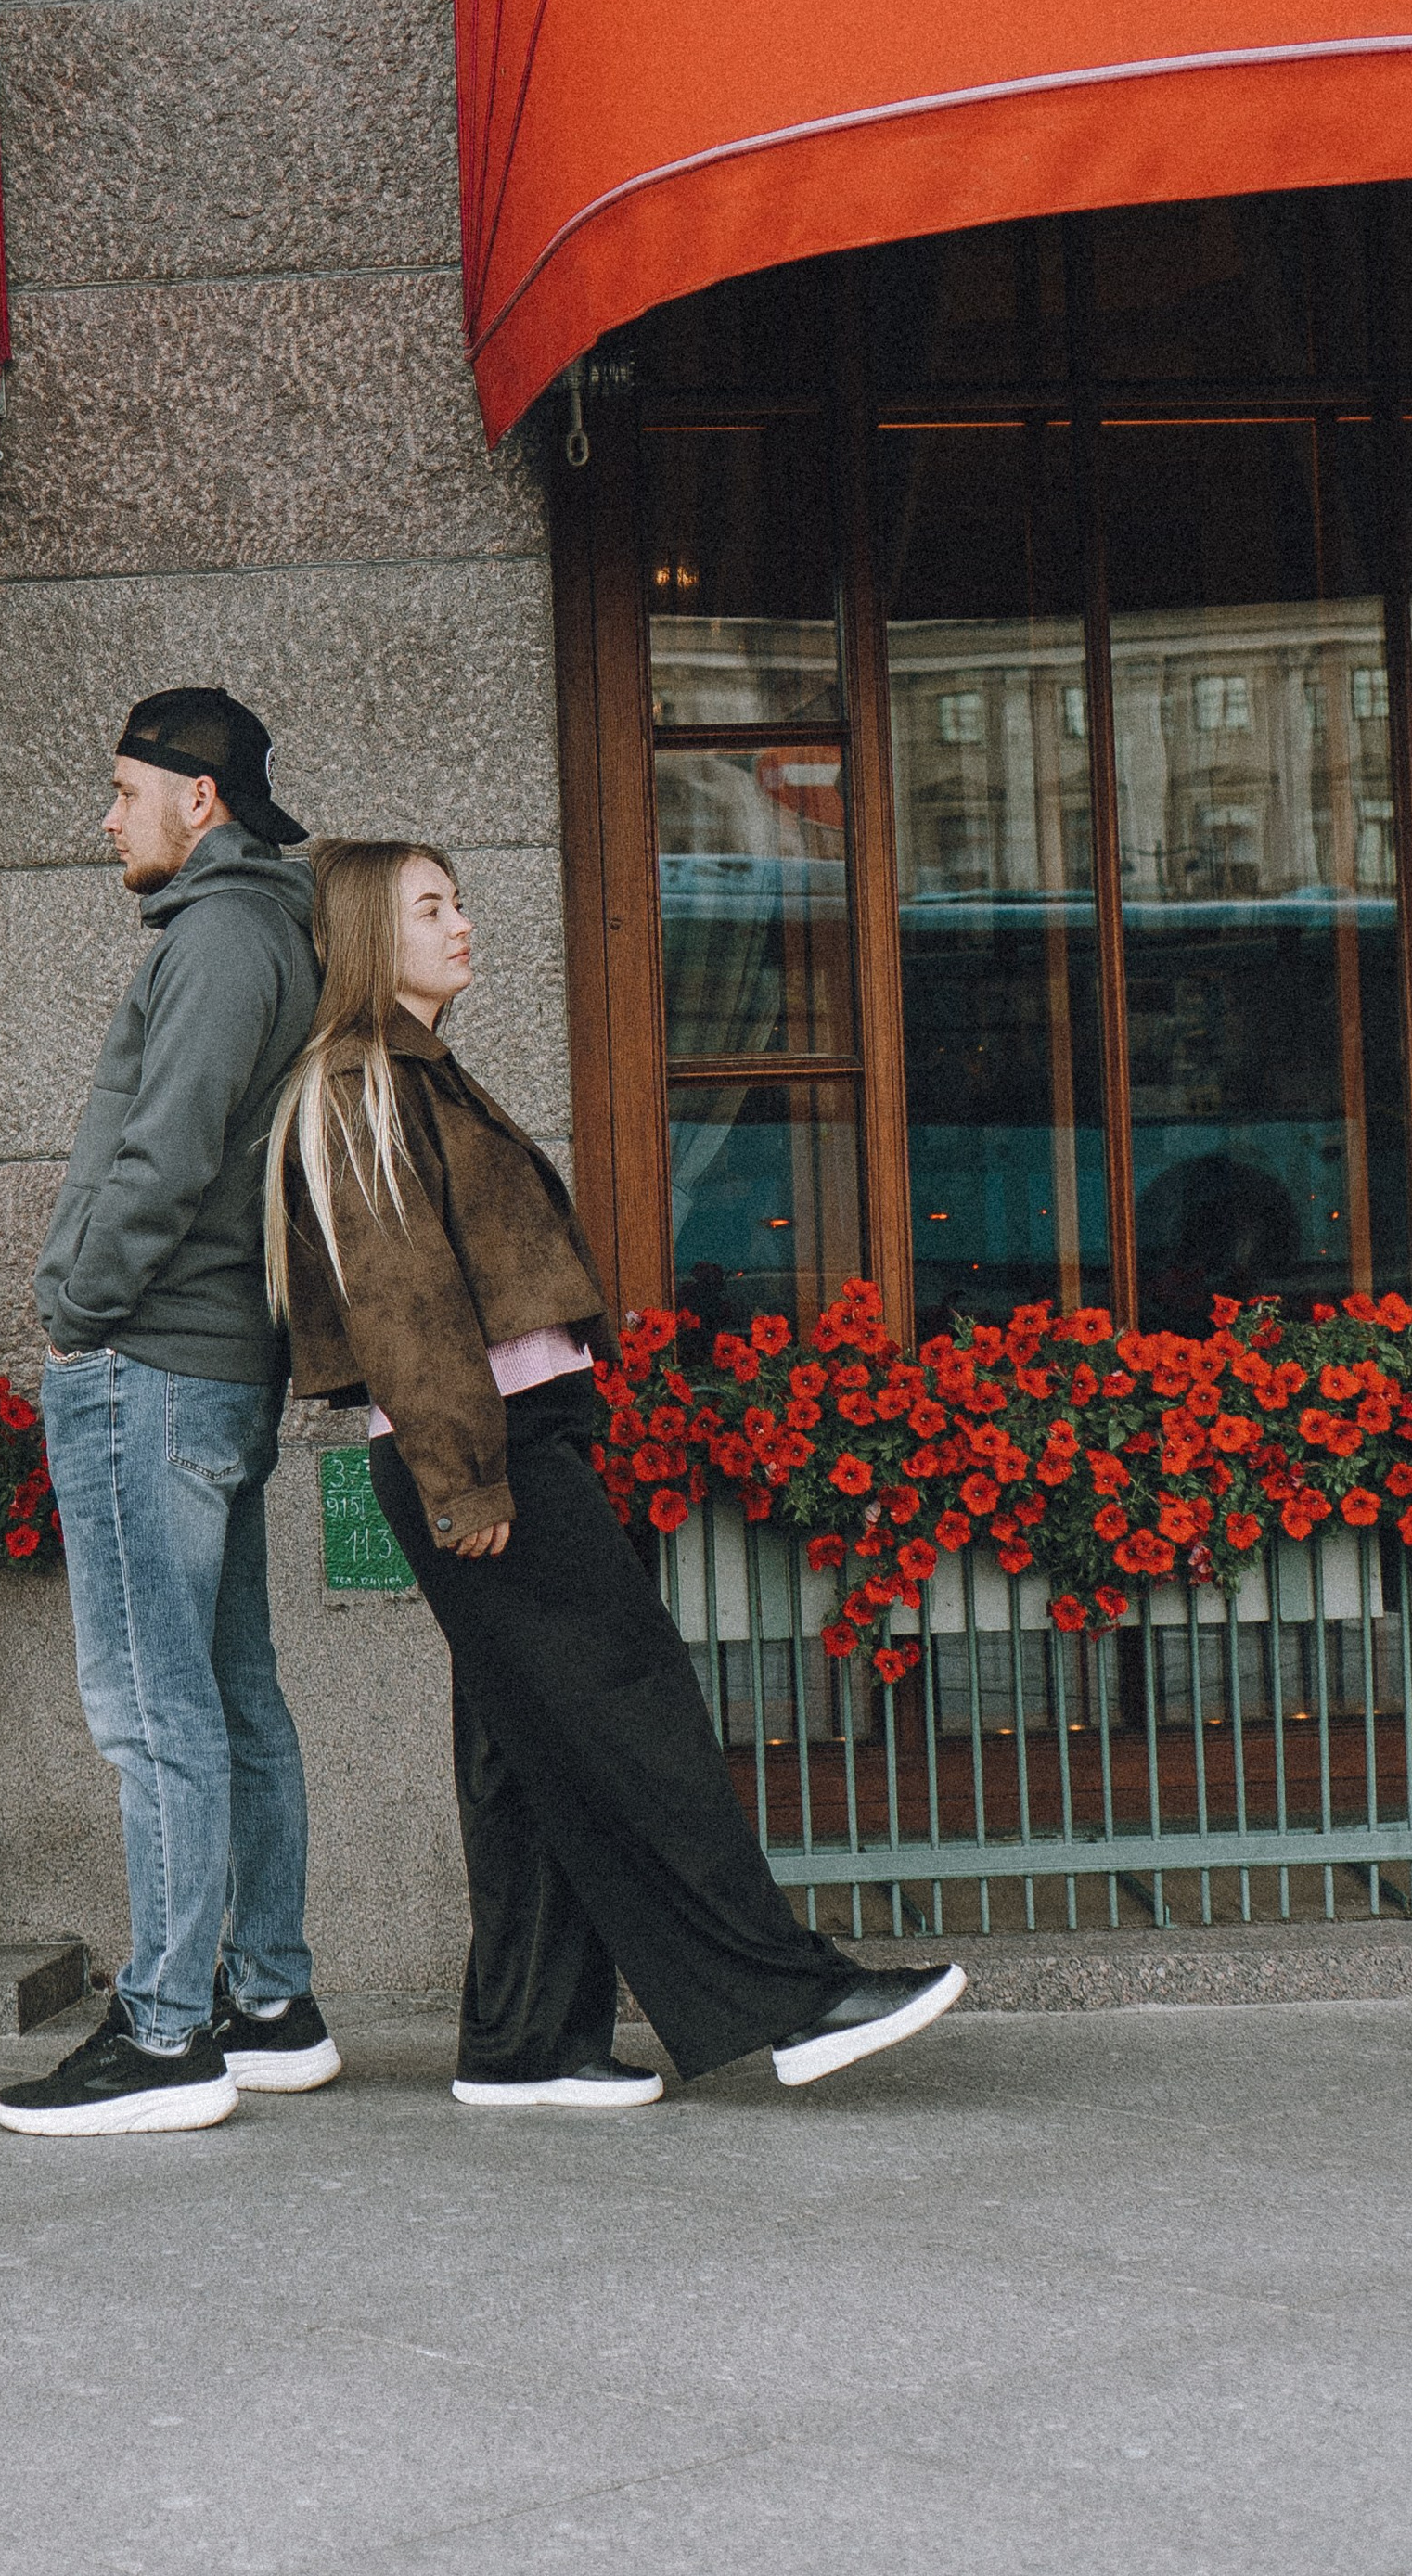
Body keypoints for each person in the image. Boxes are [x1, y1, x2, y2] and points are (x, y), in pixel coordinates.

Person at [266, 839, 968, 2111]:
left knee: (530, 1750)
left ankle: (528, 2042)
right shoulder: (364, 1081)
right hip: (490, 1454)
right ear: (372, 937)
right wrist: (469, 1483)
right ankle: (788, 1997)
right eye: (432, 908)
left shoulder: (412, 1074)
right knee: (634, 1715)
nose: (463, 924)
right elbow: (404, 1301)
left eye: (460, 900)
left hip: (513, 1439)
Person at [0, 690, 338, 2139]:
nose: (107, 818)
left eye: (125, 792)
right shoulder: (270, 929)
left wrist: (75, 1304)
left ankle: (166, 2031)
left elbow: (167, 1148)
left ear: (201, 800)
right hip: (216, 1364)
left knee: (154, 1712)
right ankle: (268, 2002)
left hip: (152, 1364)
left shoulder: (217, 935)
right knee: (231, 1695)